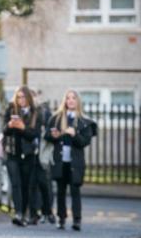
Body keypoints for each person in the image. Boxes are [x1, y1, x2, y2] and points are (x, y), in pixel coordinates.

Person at [44, 90, 96, 231]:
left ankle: (77, 220)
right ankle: (61, 219)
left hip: (76, 162)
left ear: (78, 101)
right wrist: (53, 135)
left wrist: (75, 135)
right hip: (60, 161)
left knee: (75, 190)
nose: (71, 100)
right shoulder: (56, 118)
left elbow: (85, 142)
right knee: (60, 191)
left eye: (73, 98)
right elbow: (47, 135)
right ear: (65, 101)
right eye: (68, 98)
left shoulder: (84, 121)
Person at [2, 85, 42, 227]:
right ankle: (18, 213)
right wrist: (10, 125)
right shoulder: (11, 109)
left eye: (23, 96)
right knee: (16, 184)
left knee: (25, 185)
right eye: (18, 97)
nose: (21, 99)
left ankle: (23, 214)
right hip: (12, 153)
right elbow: (4, 130)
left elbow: (35, 134)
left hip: (28, 155)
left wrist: (23, 128)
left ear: (29, 98)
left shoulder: (36, 113)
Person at [28, 89, 55, 225]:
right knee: (31, 185)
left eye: (33, 96)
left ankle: (47, 210)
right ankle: (33, 214)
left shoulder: (45, 112)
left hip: (42, 154)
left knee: (45, 184)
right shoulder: (27, 112)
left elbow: (51, 133)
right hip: (30, 154)